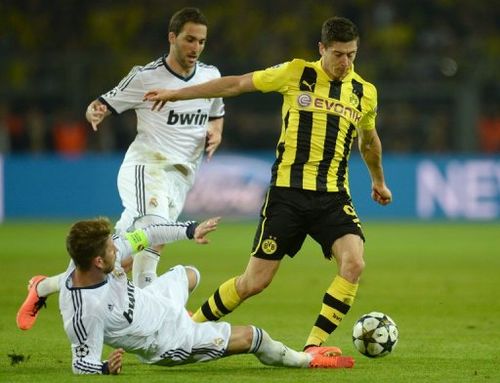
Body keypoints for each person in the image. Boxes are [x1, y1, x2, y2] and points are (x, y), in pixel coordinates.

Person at [143, 16, 393, 356]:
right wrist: (177, 94)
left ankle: (313, 347)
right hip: (286, 196)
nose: (345, 62)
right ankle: (189, 327)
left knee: (354, 263)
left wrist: (378, 181)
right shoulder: (295, 73)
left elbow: (369, 140)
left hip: (333, 197)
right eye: (338, 54)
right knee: (254, 282)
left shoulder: (365, 92)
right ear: (321, 49)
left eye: (352, 54)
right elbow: (236, 85)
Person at [16, 7, 225, 331]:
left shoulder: (211, 76)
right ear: (172, 38)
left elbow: (217, 110)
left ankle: (42, 288)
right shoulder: (146, 76)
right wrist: (94, 112)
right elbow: (102, 102)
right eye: (189, 40)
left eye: (201, 41)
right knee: (155, 233)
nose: (196, 48)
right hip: (147, 167)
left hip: (180, 177)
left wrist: (217, 130)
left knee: (112, 256)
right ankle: (157, 317)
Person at [59, 216, 353, 374]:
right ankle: (307, 360)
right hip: (167, 339)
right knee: (254, 337)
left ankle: (191, 316)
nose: (118, 250)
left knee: (190, 273)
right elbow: (81, 364)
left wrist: (191, 230)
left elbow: (148, 234)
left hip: (154, 302)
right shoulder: (86, 313)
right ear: (98, 262)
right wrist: (106, 369)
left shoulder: (95, 256)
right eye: (112, 250)